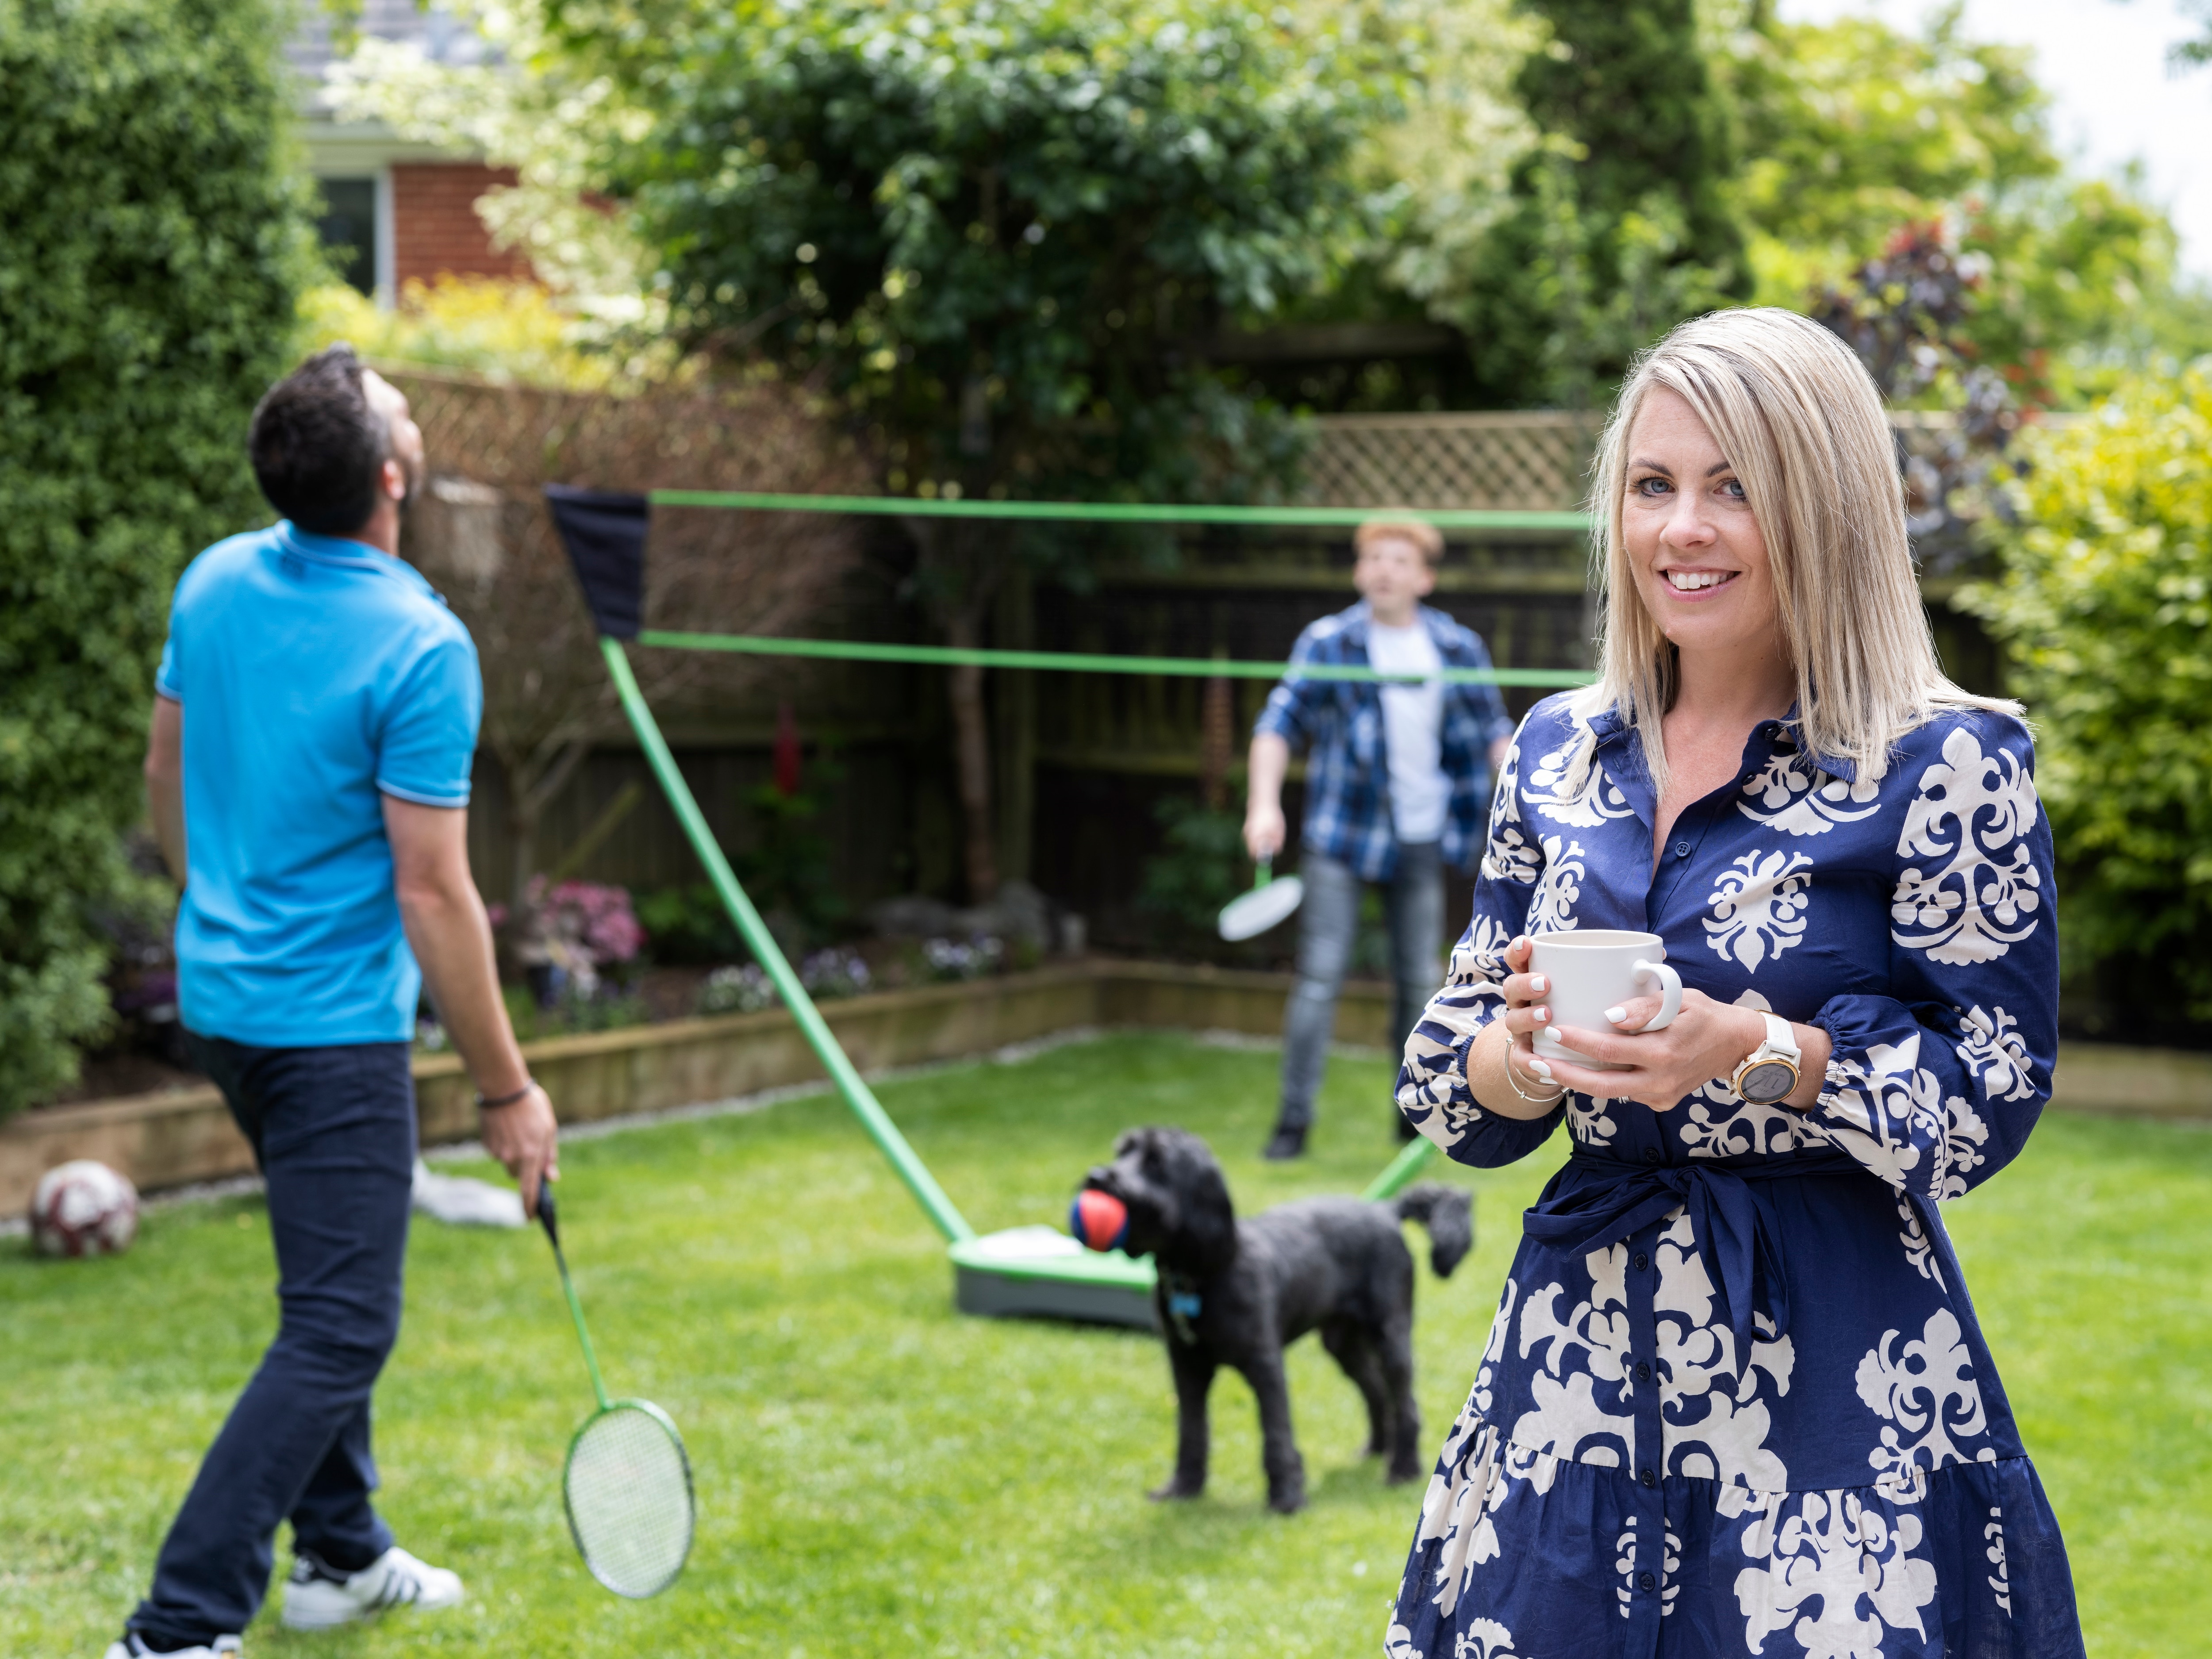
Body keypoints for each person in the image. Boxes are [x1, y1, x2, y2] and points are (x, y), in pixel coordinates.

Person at [1386, 308, 2083, 1656]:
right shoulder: (1553, 751)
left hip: (1835, 1370)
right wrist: (1528, 1055)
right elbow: (1448, 1081)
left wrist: (1758, 1050)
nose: (1680, 530)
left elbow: (1988, 1099)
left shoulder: (1946, 766)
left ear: (1825, 508)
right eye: (1653, 486)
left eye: (1735, 487)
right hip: (1575, 1365)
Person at [111, 345, 561, 1659]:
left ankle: (342, 1555)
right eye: (395, 406)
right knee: (344, 1318)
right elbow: (436, 894)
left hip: (228, 1005)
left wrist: (217, 906)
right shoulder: (421, 643)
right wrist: (509, 1087)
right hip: (325, 1034)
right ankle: (181, 1620)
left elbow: (165, 769)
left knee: (325, 1283)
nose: (409, 406)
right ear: (388, 473)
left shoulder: (218, 576)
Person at [1244, 520, 1517, 1160]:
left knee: (1419, 981)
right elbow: (1276, 723)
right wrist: (1263, 805)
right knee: (1320, 977)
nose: (1385, 569)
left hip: (1424, 837)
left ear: (1424, 577)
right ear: (1359, 571)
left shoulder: (1456, 647)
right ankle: (1293, 1122)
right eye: (1373, 558)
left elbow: (1495, 734)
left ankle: (1412, 1118)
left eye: (1400, 559)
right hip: (1340, 837)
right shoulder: (1330, 640)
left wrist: (1524, 799)